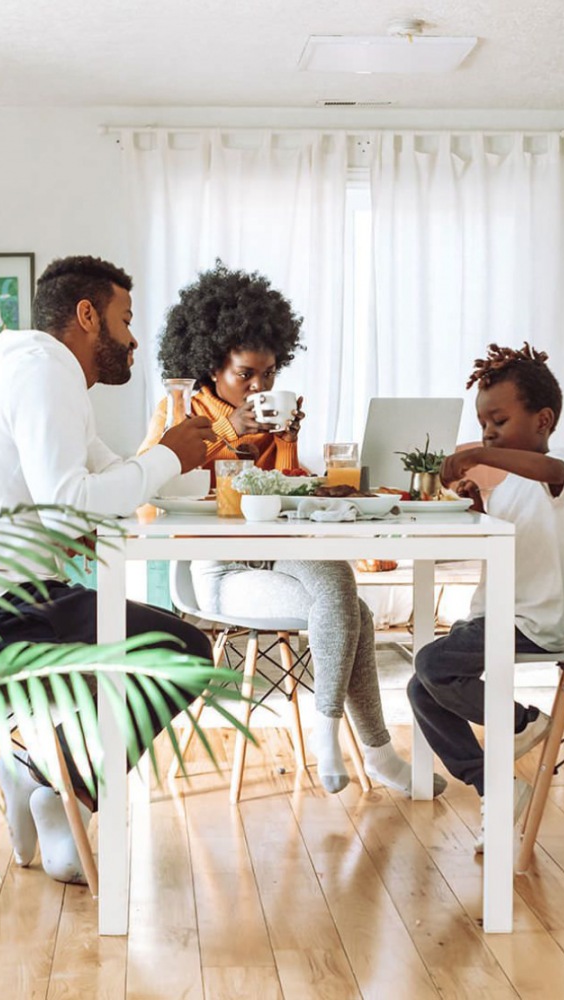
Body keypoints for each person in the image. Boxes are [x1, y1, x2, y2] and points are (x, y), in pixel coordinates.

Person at [0, 254, 220, 884]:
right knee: (183, 651)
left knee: (169, 642)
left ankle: (44, 777)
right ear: (86, 315)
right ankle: (55, 788)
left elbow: (99, 479)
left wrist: (167, 459)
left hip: (4, 592)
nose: (132, 339)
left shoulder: (44, 377)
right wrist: (165, 456)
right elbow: (73, 502)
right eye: (125, 320)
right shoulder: (45, 377)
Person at [138, 264, 433, 796]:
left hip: (276, 552)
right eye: (245, 374)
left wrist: (290, 441)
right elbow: (147, 495)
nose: (259, 386)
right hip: (219, 569)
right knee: (354, 611)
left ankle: (340, 739)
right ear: (210, 364)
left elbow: (279, 492)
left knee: (339, 582)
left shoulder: (271, 417)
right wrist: (230, 429)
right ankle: (367, 749)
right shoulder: (180, 411)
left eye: (269, 373)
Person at [408, 343, 564, 851]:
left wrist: (481, 455)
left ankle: (525, 722)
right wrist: (478, 501)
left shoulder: (559, 467)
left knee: (433, 666)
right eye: (484, 425)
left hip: (531, 620)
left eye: (499, 422)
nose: (487, 434)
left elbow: (548, 476)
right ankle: (496, 786)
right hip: (492, 615)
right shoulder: (509, 487)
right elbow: (505, 538)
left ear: (544, 420)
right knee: (422, 689)